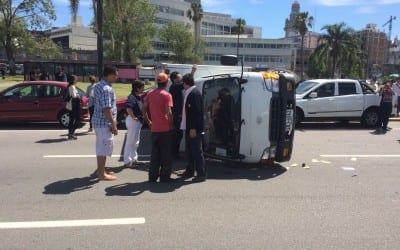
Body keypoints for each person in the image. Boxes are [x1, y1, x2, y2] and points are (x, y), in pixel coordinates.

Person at [142, 72, 174, 183]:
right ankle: (165, 177)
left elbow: (144, 109)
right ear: (166, 82)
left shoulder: (150, 94)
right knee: (166, 155)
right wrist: (171, 126)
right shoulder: (167, 95)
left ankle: (152, 177)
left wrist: (149, 121)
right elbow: (169, 113)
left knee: (155, 154)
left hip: (154, 129)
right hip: (165, 130)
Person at [92, 66, 119, 181]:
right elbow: (106, 109)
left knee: (102, 146)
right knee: (103, 148)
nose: (116, 78)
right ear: (109, 75)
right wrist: (113, 125)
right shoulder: (106, 89)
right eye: (115, 75)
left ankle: (101, 169)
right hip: (104, 123)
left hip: (98, 121)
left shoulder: (98, 85)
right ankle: (102, 174)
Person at [179, 73, 206, 182]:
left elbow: (197, 113)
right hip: (189, 127)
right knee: (189, 151)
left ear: (185, 83)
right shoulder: (189, 93)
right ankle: (189, 171)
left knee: (196, 152)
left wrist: (194, 128)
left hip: (193, 128)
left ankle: (201, 174)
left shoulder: (194, 94)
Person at [168, 65, 197, 159]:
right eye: (180, 78)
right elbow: (188, 82)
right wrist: (192, 72)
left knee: (178, 135)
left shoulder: (175, 87)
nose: (182, 81)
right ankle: (174, 154)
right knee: (176, 136)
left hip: (178, 115)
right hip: (176, 116)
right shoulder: (174, 87)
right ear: (174, 79)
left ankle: (174, 153)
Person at [123, 80, 145, 168]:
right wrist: (133, 117)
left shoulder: (138, 96)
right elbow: (128, 108)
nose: (143, 89)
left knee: (135, 142)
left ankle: (134, 159)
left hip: (137, 121)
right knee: (130, 142)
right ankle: (127, 161)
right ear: (137, 88)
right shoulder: (132, 97)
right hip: (133, 121)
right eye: (142, 88)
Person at [65, 75, 81, 140]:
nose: (77, 80)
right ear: (73, 80)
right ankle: (72, 133)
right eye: (76, 79)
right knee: (78, 120)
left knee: (71, 120)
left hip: (71, 106)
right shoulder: (72, 87)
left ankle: (70, 134)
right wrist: (79, 96)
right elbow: (74, 96)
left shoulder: (70, 86)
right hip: (74, 106)